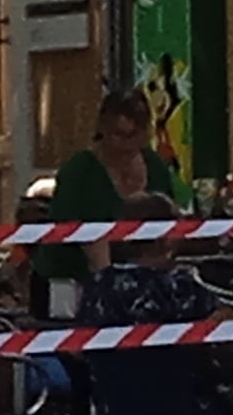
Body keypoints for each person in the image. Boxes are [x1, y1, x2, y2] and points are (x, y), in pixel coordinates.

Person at [40, 91, 196, 307]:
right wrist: (110, 288)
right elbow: (79, 236)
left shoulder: (156, 166)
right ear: (101, 128)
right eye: (118, 135)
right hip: (70, 284)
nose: (126, 144)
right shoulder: (78, 171)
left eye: (135, 135)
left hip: (141, 282)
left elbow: (168, 223)